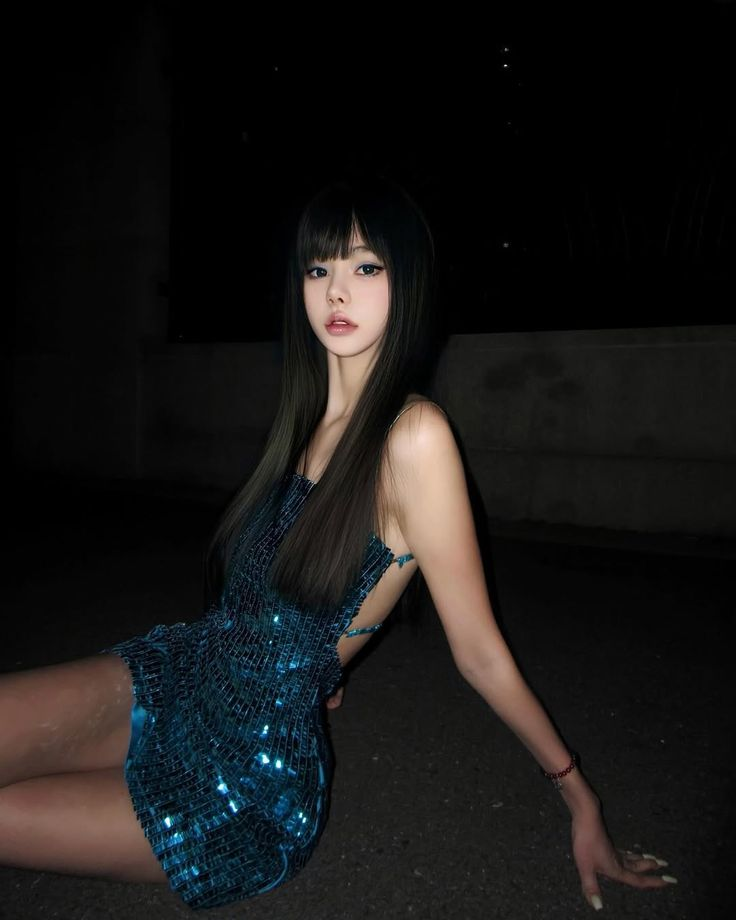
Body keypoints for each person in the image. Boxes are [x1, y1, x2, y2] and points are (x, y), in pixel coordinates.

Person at [0, 175, 676, 912]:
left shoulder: (414, 436)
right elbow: (296, 578)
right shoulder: (307, 418)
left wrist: (580, 797)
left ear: (406, 282)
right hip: (184, 676)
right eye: (319, 269)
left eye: (367, 266)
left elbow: (480, 653)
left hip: (248, 780)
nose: (337, 292)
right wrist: (322, 658)